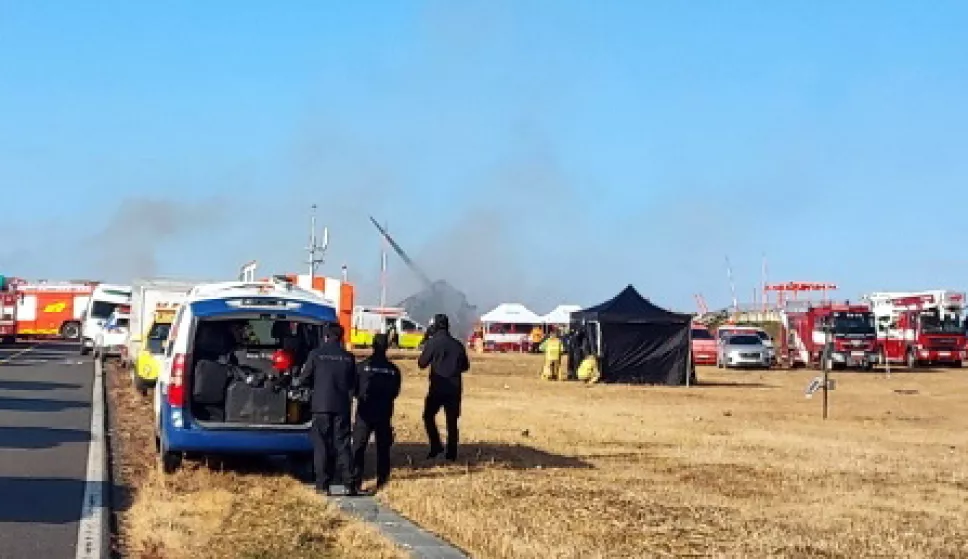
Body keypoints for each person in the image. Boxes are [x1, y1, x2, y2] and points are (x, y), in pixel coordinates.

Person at [295, 322, 358, 496]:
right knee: (342, 443)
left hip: (321, 406)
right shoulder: (348, 358)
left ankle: (323, 484)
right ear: (341, 337)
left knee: (321, 444)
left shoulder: (316, 355)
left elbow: (303, 378)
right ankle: (350, 483)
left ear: (325, 336)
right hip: (342, 406)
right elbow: (354, 384)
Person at [350, 333, 401, 493]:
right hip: (384, 412)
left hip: (365, 411)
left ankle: (355, 481)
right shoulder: (393, 370)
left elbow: (354, 389)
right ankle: (382, 481)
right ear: (387, 347)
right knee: (383, 448)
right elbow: (395, 392)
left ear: (373, 346)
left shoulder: (361, 366)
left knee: (358, 447)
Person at [417, 313, 469, 461]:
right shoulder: (458, 344)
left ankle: (435, 445)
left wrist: (426, 341)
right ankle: (452, 453)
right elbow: (465, 366)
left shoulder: (433, 343)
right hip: (454, 387)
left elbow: (421, 364)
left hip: (438, 387)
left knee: (428, 416)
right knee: (452, 421)